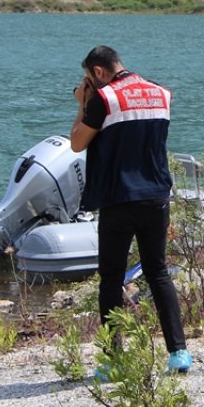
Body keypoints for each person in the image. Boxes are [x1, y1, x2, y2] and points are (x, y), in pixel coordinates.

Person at [69, 45, 191, 374]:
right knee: (158, 272)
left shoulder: (104, 99)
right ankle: (179, 353)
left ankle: (112, 361)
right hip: (156, 196)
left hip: (118, 198)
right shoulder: (160, 93)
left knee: (110, 279)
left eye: (87, 77)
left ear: (97, 71)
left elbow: (77, 142)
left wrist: (83, 104)